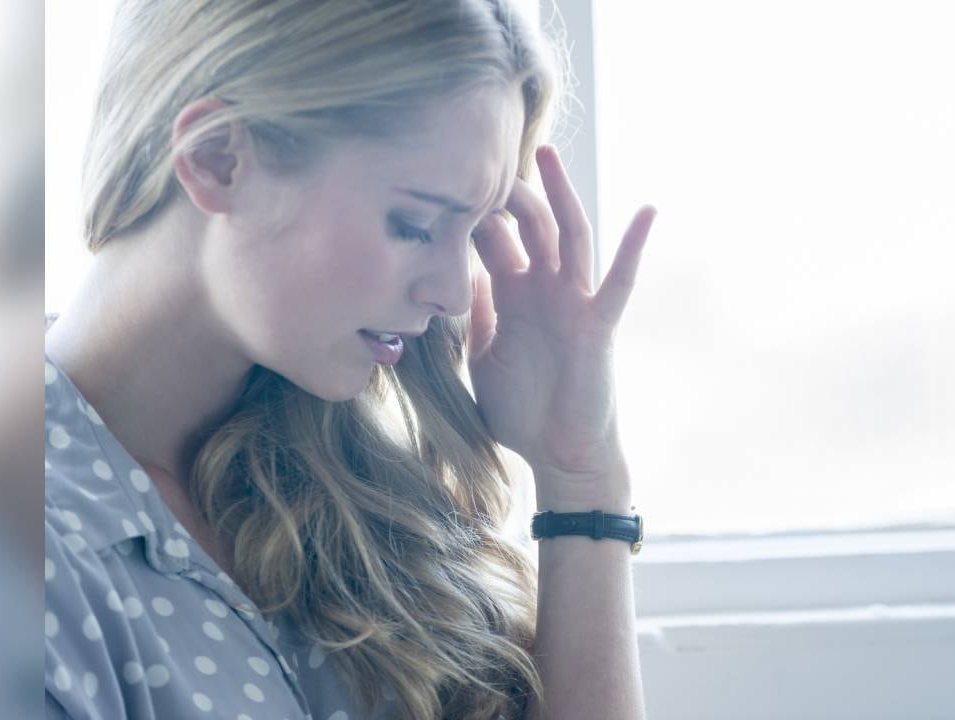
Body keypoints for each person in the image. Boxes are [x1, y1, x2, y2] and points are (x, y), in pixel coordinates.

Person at [43, 1, 658, 718]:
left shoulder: (350, 494)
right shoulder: (3, 548)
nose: (455, 291)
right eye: (416, 224)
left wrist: (579, 471)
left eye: (476, 230)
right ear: (217, 159)